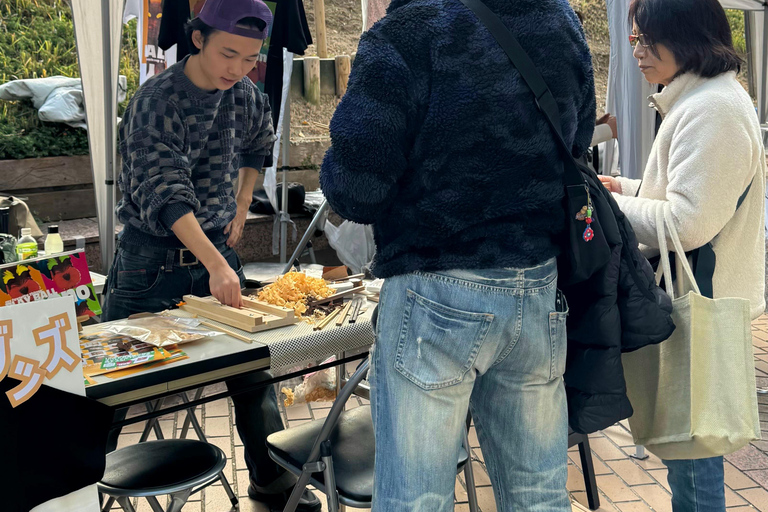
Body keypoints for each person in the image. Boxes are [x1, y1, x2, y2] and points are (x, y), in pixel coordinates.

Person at [320, 0, 595, 510]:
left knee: (416, 497)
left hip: (435, 292)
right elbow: (575, 143)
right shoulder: (559, 21)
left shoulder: (405, 33)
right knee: (538, 493)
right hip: (536, 286)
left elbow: (357, 190)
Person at [101, 0, 321, 509]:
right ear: (197, 39)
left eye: (249, 59)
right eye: (228, 54)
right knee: (110, 387)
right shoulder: (158, 99)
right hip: (149, 263)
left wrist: (243, 204)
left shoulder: (245, 95)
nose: (237, 69)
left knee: (253, 374)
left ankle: (272, 479)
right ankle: (72, 490)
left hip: (218, 251)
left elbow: (257, 145)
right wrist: (217, 262)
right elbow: (165, 189)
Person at [600, 0, 766, 510]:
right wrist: (624, 186)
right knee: (689, 444)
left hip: (701, 303)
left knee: (692, 450)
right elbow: (681, 197)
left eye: (649, 40)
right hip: (701, 298)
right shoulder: (704, 101)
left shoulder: (713, 108)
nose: (639, 53)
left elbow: (689, 223)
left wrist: (615, 203)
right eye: (634, 41)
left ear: (690, 36)